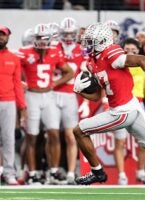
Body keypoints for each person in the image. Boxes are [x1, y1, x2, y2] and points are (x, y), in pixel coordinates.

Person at [72, 22, 145, 185]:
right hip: (129, 108)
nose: (87, 44)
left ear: (102, 41)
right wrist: (79, 90)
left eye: (91, 41)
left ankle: (97, 172)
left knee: (79, 130)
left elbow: (143, 60)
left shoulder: (111, 54)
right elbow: (97, 96)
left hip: (122, 111)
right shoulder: (93, 61)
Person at [19, 23, 73, 185]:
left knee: (54, 133)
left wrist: (54, 84)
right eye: (38, 38)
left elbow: (69, 72)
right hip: (32, 96)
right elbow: (15, 70)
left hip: (48, 96)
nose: (42, 41)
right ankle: (33, 173)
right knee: (32, 137)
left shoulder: (55, 52)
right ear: (33, 39)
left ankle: (54, 171)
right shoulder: (24, 52)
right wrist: (20, 82)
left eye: (45, 38)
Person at [0, 26, 27, 186]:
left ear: (8, 37)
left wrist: (22, 107)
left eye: (4, 35)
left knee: (9, 138)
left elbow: (17, 84)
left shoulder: (14, 58)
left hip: (9, 101)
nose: (1, 38)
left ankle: (9, 173)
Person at [45, 17, 84, 185]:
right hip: (52, 94)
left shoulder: (82, 51)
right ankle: (53, 171)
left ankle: (70, 172)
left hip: (70, 95)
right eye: (65, 33)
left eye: (71, 34)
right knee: (51, 134)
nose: (68, 37)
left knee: (70, 136)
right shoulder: (53, 48)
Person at [113, 38, 145, 185]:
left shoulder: (142, 64)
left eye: (134, 50)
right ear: (122, 50)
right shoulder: (118, 64)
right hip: (121, 104)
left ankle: (141, 172)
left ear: (139, 51)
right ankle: (121, 175)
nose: (130, 53)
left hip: (138, 105)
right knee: (120, 142)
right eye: (127, 50)